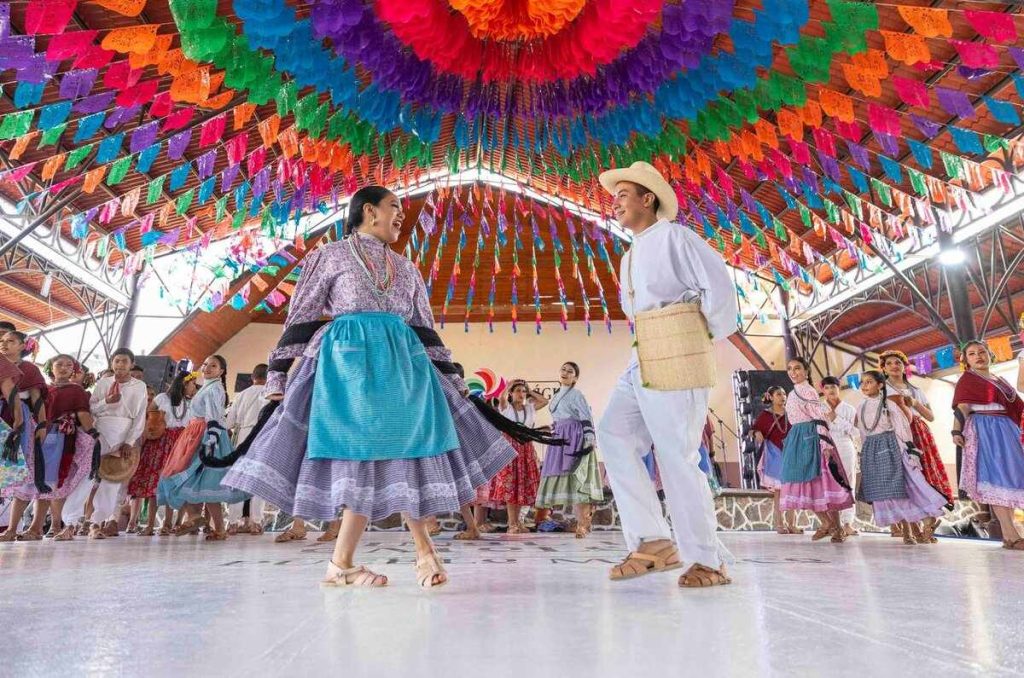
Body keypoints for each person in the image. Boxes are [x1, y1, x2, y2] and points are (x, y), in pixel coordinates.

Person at [222, 186, 517, 588]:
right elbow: (302, 317)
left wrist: (451, 376)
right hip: (348, 368)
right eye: (394, 207)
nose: (401, 215)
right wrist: (277, 374)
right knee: (363, 455)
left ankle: (401, 555)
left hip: (405, 367)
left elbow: (423, 328)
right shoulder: (329, 256)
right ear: (368, 210)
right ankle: (369, 559)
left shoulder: (407, 268)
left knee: (411, 449)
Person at [595, 161, 737, 588]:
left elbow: (720, 289)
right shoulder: (630, 253)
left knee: (676, 453)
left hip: (678, 345)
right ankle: (654, 540)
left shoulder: (678, 237)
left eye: (623, 194)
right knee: (613, 434)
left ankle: (707, 559)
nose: (615, 202)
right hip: (643, 351)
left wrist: (696, 332)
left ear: (647, 198)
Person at [1, 355, 97, 541]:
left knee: (45, 480)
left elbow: (83, 414)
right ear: (50, 368)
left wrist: (93, 433)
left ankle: (36, 527)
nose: (63, 368)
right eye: (59, 364)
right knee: (29, 479)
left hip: (58, 437)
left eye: (69, 365)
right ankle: (13, 529)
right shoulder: (43, 388)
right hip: (35, 434)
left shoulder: (76, 391)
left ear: (74, 370)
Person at [159, 355, 248, 540]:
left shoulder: (215, 389)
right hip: (195, 434)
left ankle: (197, 518)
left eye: (213, 366)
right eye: (205, 364)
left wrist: (210, 441)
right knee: (202, 483)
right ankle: (206, 522)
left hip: (205, 436)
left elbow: (214, 416)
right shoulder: (208, 387)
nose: (207, 368)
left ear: (221, 371)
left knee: (194, 479)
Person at [63, 348, 147, 539]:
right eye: (116, 361)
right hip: (100, 430)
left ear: (131, 364)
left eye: (124, 361)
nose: (120, 365)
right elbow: (90, 408)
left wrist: (130, 441)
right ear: (112, 363)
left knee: (111, 480)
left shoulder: (139, 386)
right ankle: (70, 522)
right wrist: (107, 401)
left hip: (123, 433)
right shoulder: (103, 382)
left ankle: (96, 523)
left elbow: (140, 416)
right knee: (87, 475)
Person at [856, 371, 946, 545]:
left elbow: (902, 427)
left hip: (892, 447)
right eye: (863, 383)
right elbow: (862, 431)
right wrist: (865, 453)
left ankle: (927, 520)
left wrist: (908, 450)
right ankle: (910, 529)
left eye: (869, 382)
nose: (865, 385)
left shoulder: (889, 404)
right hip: (872, 450)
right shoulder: (861, 407)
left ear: (880, 385)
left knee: (901, 487)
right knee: (886, 492)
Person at [952, 341, 1024, 550]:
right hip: (986, 430)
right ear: (966, 360)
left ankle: (1010, 535)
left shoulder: (999, 380)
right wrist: (956, 430)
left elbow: (1017, 407)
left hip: (1007, 430)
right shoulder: (967, 379)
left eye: (982, 352)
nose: (978, 356)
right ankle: (1011, 535)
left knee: (1010, 480)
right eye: (972, 354)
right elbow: (962, 406)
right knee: (996, 480)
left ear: (990, 354)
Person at [778, 358, 854, 543]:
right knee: (805, 482)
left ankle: (833, 526)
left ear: (806, 371)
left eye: (797, 368)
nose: (793, 372)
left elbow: (819, 417)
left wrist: (826, 444)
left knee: (818, 482)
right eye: (789, 369)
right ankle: (830, 525)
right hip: (797, 437)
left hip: (809, 437)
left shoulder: (808, 390)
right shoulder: (794, 391)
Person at [879, 350, 954, 514]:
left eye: (898, 363)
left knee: (925, 470)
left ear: (904, 367)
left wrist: (914, 403)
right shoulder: (881, 390)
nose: (894, 366)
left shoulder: (916, 390)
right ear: (883, 369)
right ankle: (909, 522)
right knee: (904, 474)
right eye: (889, 363)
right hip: (895, 433)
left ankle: (931, 514)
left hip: (919, 431)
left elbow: (931, 417)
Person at [535, 362, 603, 539]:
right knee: (565, 479)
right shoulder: (558, 395)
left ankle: (582, 524)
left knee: (577, 480)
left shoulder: (577, 394)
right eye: (563, 370)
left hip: (574, 439)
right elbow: (560, 418)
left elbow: (585, 417)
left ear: (575, 378)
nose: (565, 373)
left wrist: (589, 440)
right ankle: (583, 522)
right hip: (559, 438)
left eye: (570, 371)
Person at [132, 371, 198, 536]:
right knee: (156, 482)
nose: (194, 388)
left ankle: (170, 523)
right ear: (184, 383)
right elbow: (147, 415)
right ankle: (149, 524)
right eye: (192, 384)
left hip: (181, 443)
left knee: (175, 482)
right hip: (160, 442)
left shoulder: (190, 403)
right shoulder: (162, 398)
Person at [0, 332, 48, 538]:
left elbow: (37, 399)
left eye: (10, 341)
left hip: (20, 419)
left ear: (22, 346)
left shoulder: (30, 369)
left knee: (23, 470)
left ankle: (12, 528)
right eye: (2, 341)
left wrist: (43, 424)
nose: (4, 344)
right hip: (1, 412)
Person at [488, 379, 548, 534]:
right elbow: (501, 399)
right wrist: (508, 386)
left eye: (523, 391)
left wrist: (529, 389)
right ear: (511, 394)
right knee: (511, 485)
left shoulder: (530, 408)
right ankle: (512, 523)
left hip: (526, 448)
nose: (521, 394)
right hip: (510, 448)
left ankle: (518, 522)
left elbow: (544, 401)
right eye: (518, 391)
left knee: (522, 485)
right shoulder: (506, 408)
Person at [226, 363, 270, 535]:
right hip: (264, 436)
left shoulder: (242, 395)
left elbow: (229, 422)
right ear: (269, 378)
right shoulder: (271, 393)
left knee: (239, 480)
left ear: (252, 377)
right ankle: (255, 522)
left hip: (244, 436)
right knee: (259, 481)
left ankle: (232, 522)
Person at [752, 386, 800, 534]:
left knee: (792, 490)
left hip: (791, 453)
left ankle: (792, 524)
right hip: (775, 454)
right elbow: (753, 429)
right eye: (779, 394)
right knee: (779, 492)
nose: (783, 396)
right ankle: (779, 524)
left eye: (784, 394)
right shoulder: (765, 415)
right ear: (771, 397)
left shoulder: (792, 413)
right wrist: (757, 432)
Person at [821, 376, 860, 536]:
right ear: (823, 390)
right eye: (827, 387)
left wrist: (836, 419)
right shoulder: (818, 408)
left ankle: (847, 523)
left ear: (839, 389)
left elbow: (856, 432)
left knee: (848, 483)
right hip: (825, 448)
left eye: (834, 387)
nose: (831, 390)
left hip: (845, 446)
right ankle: (832, 523)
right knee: (829, 485)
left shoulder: (849, 409)